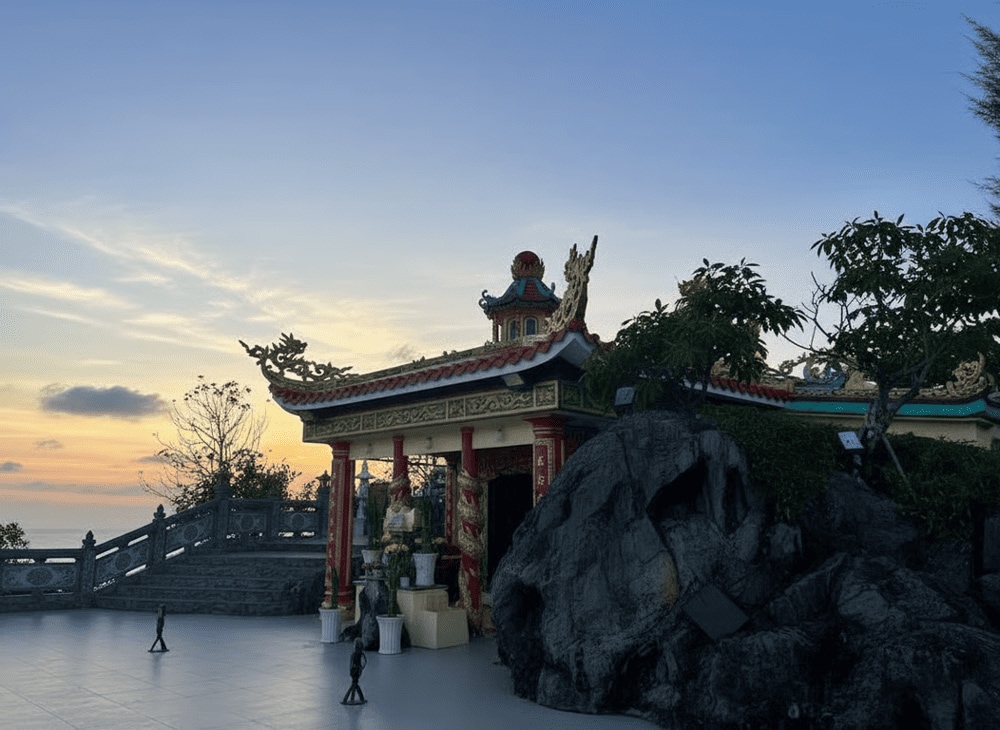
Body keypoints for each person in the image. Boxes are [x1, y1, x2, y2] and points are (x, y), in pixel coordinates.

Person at [341, 638, 367, 705]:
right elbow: (353, 664)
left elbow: (355, 663)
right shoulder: (356, 654)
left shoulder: (358, 654)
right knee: (355, 686)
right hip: (355, 671)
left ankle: (349, 699)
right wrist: (359, 668)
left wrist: (359, 668)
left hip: (356, 671)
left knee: (354, 686)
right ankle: (356, 698)